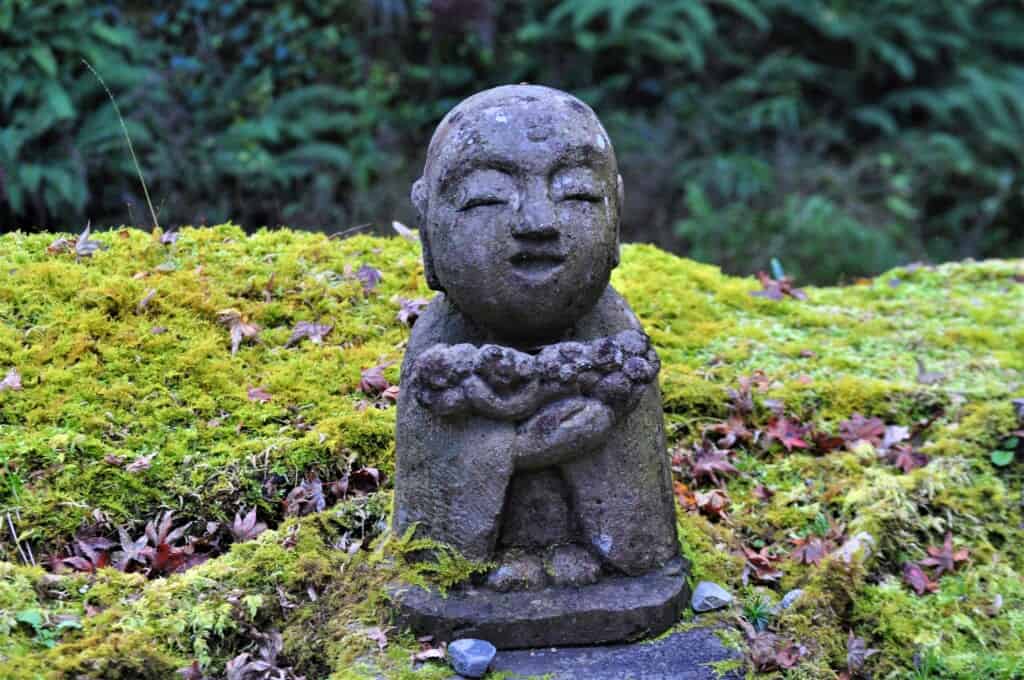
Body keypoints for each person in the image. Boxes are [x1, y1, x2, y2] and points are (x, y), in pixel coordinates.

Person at [393, 84, 679, 591]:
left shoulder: (614, 336)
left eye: (577, 194)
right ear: (428, 228)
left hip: (593, 557)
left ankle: (577, 553)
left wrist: (598, 436)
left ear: (615, 217)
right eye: (487, 197)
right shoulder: (441, 342)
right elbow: (431, 502)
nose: (538, 223)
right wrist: (522, 448)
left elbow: (641, 516)